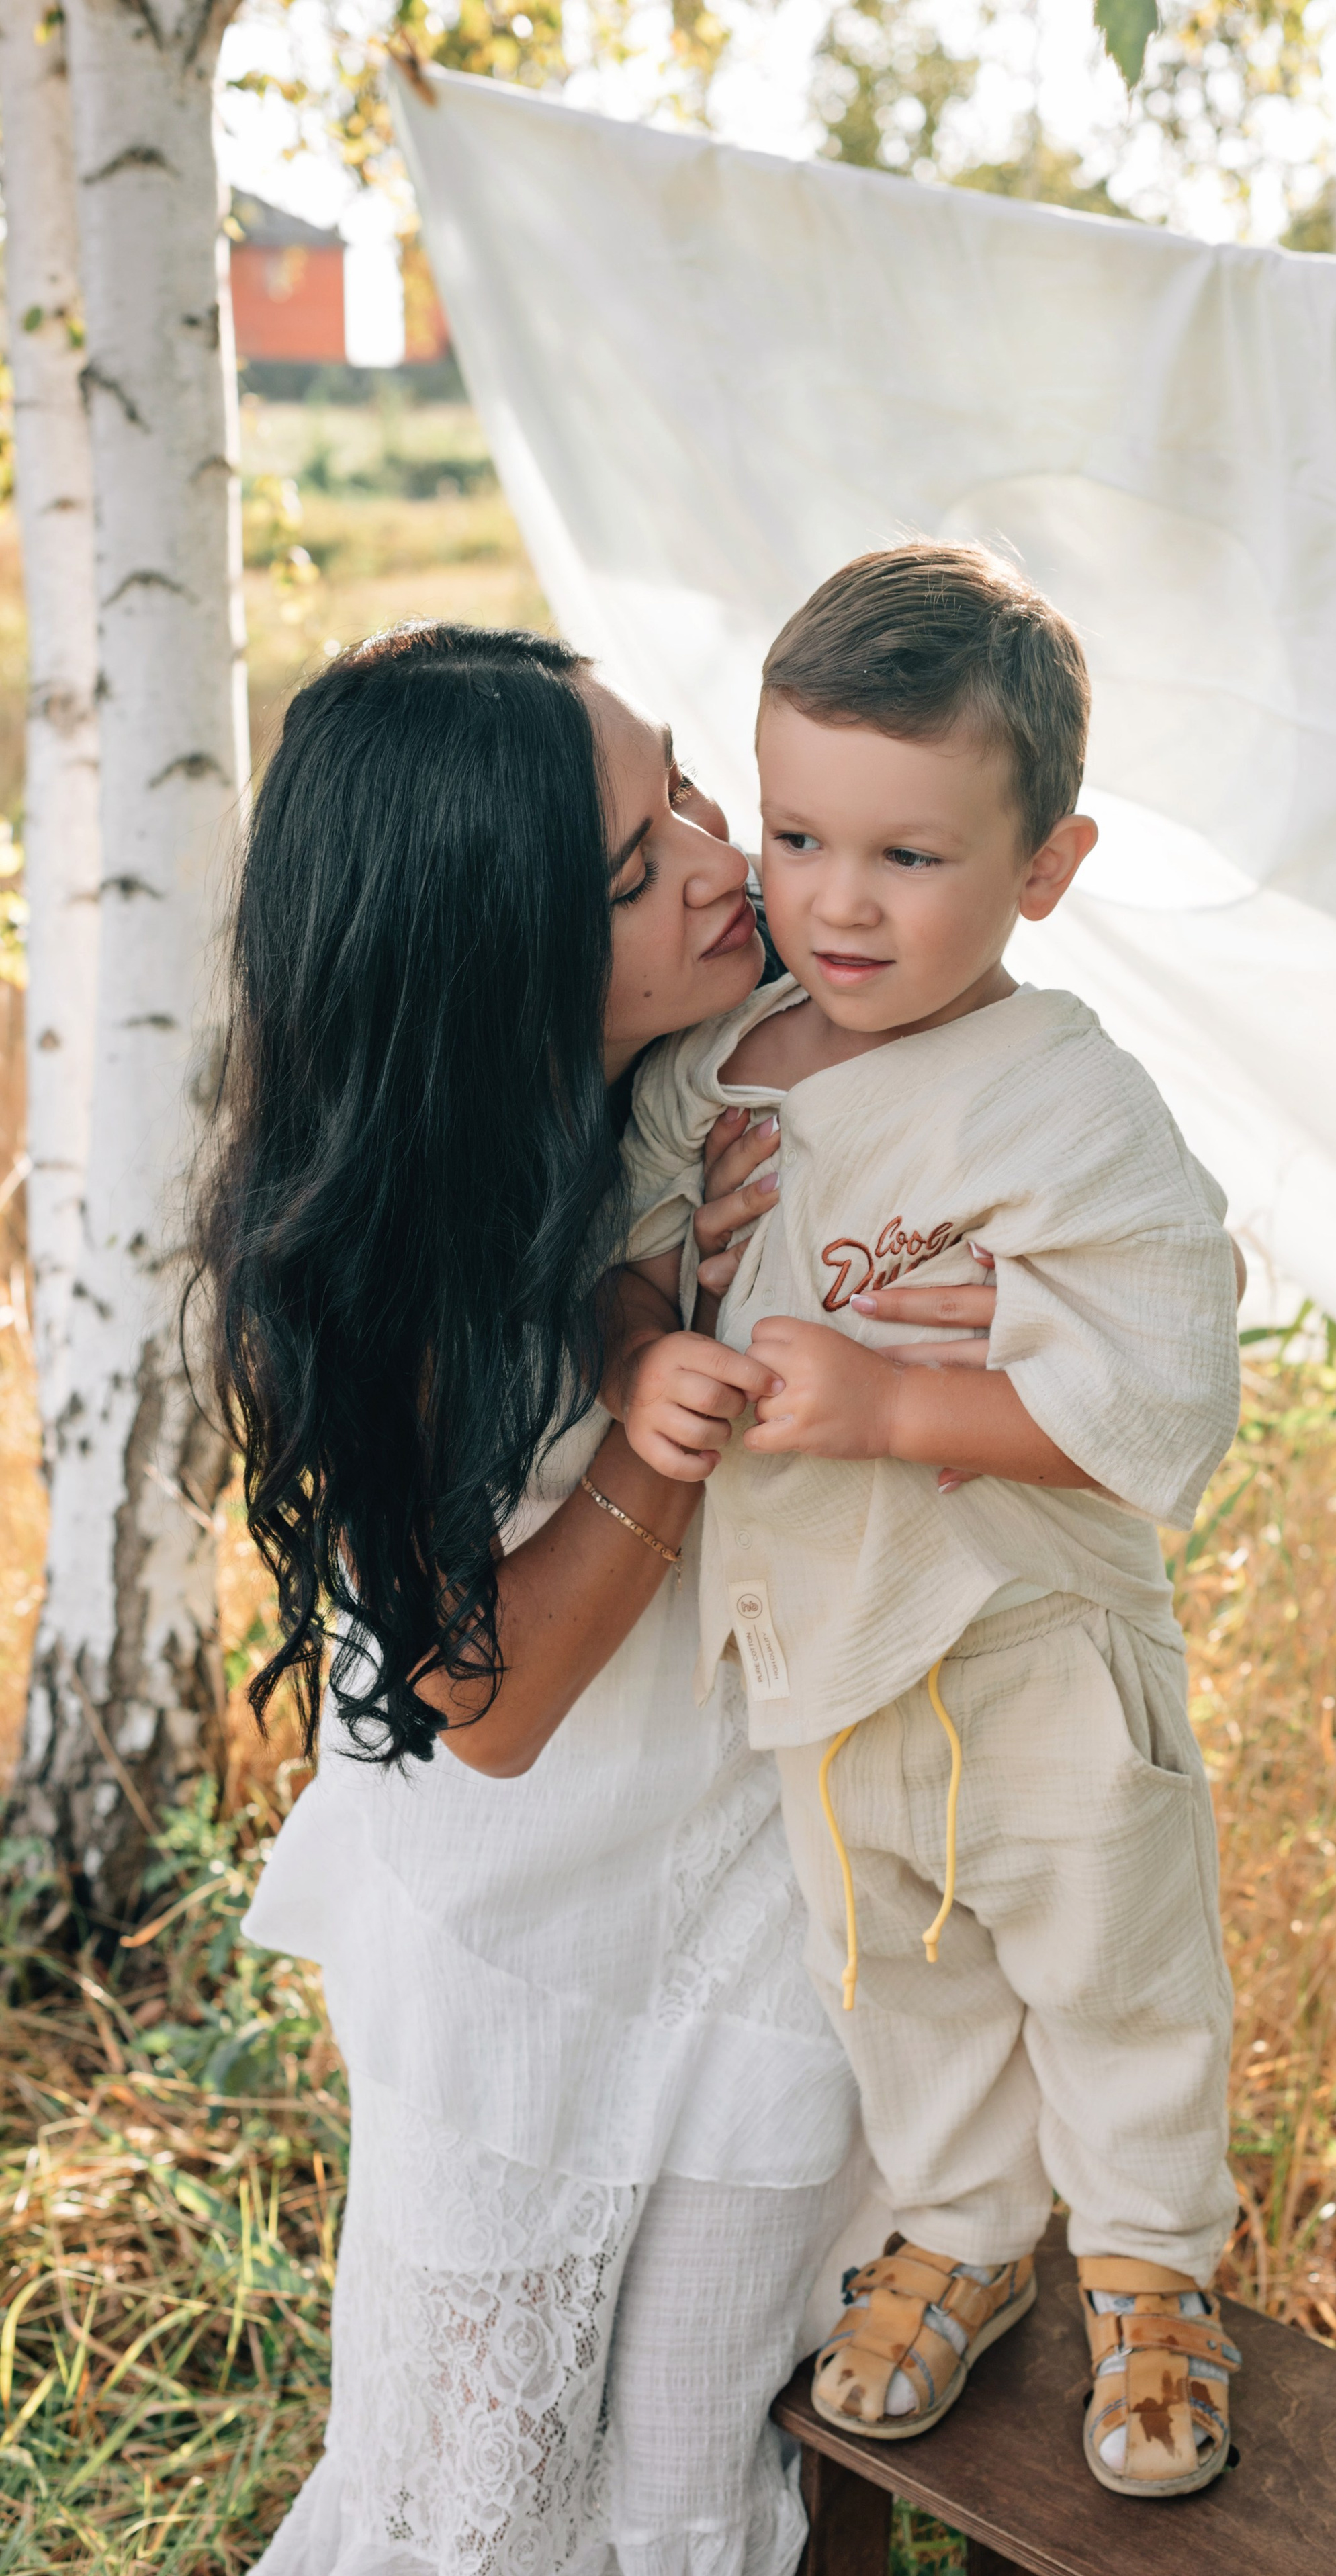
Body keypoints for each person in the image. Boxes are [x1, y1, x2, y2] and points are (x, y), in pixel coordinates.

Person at [197, 621, 991, 2576]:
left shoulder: (748, 1064)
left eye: (687, 792)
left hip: (747, 1884)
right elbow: (497, 1702)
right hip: (523, 1940)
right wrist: (661, 1405)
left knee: (710, 2456)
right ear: (495, 969)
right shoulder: (398, 1255)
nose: (730, 862)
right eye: (636, 870)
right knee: (478, 2474)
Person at [617, 544, 1243, 2502]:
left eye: (909, 856)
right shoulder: (715, 1073)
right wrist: (646, 1346)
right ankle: (968, 2225)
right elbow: (628, 1255)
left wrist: (898, 1403)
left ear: (1043, 868)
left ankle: (1152, 2267)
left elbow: (1163, 1370)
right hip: (825, 1639)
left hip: (1028, 1632)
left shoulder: (1056, 1091)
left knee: (1110, 1951)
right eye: (798, 833)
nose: (833, 900)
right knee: (895, 1960)